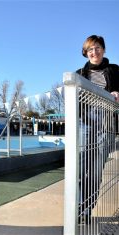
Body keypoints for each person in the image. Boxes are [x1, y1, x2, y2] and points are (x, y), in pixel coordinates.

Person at [76, 35, 119, 224]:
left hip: (106, 126)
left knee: (95, 170)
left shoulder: (115, 70)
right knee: (81, 168)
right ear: (85, 52)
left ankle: (85, 209)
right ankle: (79, 204)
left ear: (104, 49)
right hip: (85, 125)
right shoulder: (79, 74)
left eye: (98, 47)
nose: (94, 52)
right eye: (90, 49)